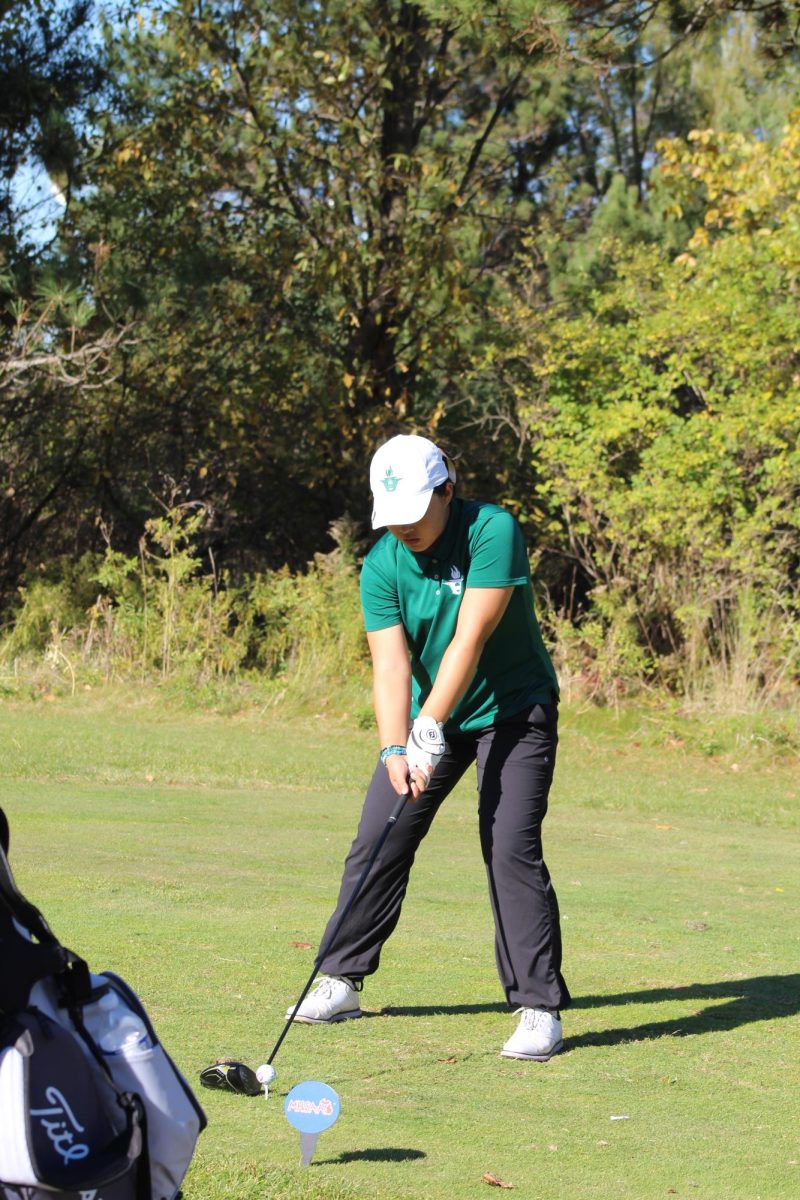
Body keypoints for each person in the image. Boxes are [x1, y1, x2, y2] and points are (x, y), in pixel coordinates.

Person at [286, 433, 570, 1060]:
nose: (405, 528)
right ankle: (340, 977)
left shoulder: (490, 531)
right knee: (381, 832)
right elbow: (389, 666)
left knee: (508, 845)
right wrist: (395, 749)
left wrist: (429, 724)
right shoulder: (383, 564)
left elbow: (471, 637)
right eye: (393, 518)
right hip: (428, 721)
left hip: (513, 710)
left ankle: (537, 1009)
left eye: (416, 512)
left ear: (446, 489)